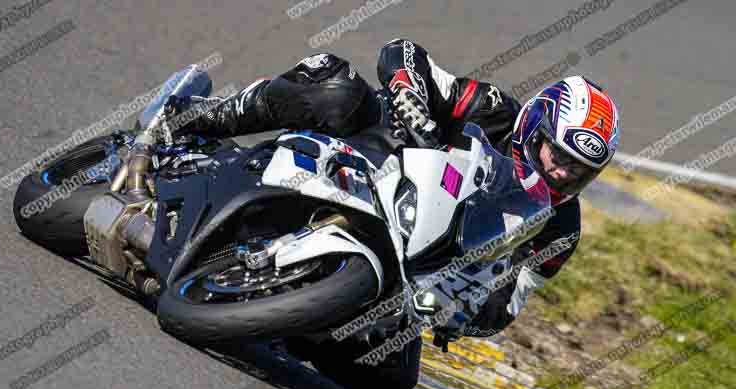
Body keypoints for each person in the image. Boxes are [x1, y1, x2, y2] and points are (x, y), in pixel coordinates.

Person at [165, 39, 621, 342]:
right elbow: (403, 53)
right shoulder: (494, 109)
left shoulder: (561, 228)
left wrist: (471, 312)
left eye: (580, 172)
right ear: (535, 129)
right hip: (371, 158)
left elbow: (513, 295)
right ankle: (196, 117)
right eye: (558, 157)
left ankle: (302, 310)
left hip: (416, 268)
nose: (562, 175)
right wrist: (409, 94)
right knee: (334, 86)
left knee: (386, 385)